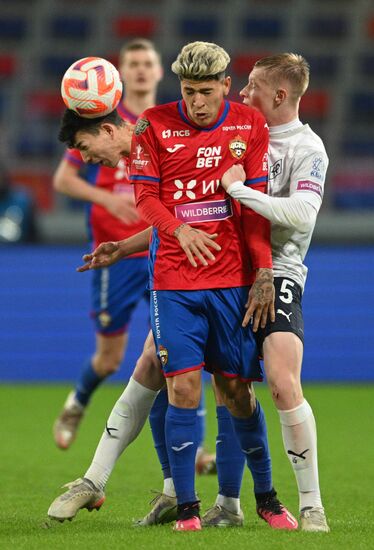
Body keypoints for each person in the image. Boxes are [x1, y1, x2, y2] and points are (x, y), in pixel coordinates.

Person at [47, 41, 297, 532]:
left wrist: (262, 268)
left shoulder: (212, 128)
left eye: (85, 147)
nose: (88, 158)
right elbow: (167, 211)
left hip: (226, 275)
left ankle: (224, 498)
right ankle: (159, 492)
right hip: (176, 276)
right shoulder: (150, 134)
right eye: (189, 91)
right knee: (166, 376)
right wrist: (129, 246)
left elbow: (219, 209)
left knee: (211, 385)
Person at [213, 53, 329, 532]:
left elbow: (302, 214)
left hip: (279, 272)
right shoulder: (238, 134)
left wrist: (240, 191)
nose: (242, 93)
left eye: (252, 86)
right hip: (226, 273)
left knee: (282, 383)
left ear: (279, 95)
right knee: (228, 386)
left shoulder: (309, 148)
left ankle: (311, 504)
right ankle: (225, 502)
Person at [52, 39, 163, 449]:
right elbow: (63, 179)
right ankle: (76, 403)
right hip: (112, 252)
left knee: (172, 347)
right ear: (118, 72)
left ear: (157, 71)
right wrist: (108, 199)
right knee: (111, 358)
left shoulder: (159, 125)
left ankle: (198, 448)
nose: (139, 70)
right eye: (131, 62)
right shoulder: (96, 123)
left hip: (156, 248)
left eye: (146, 63)